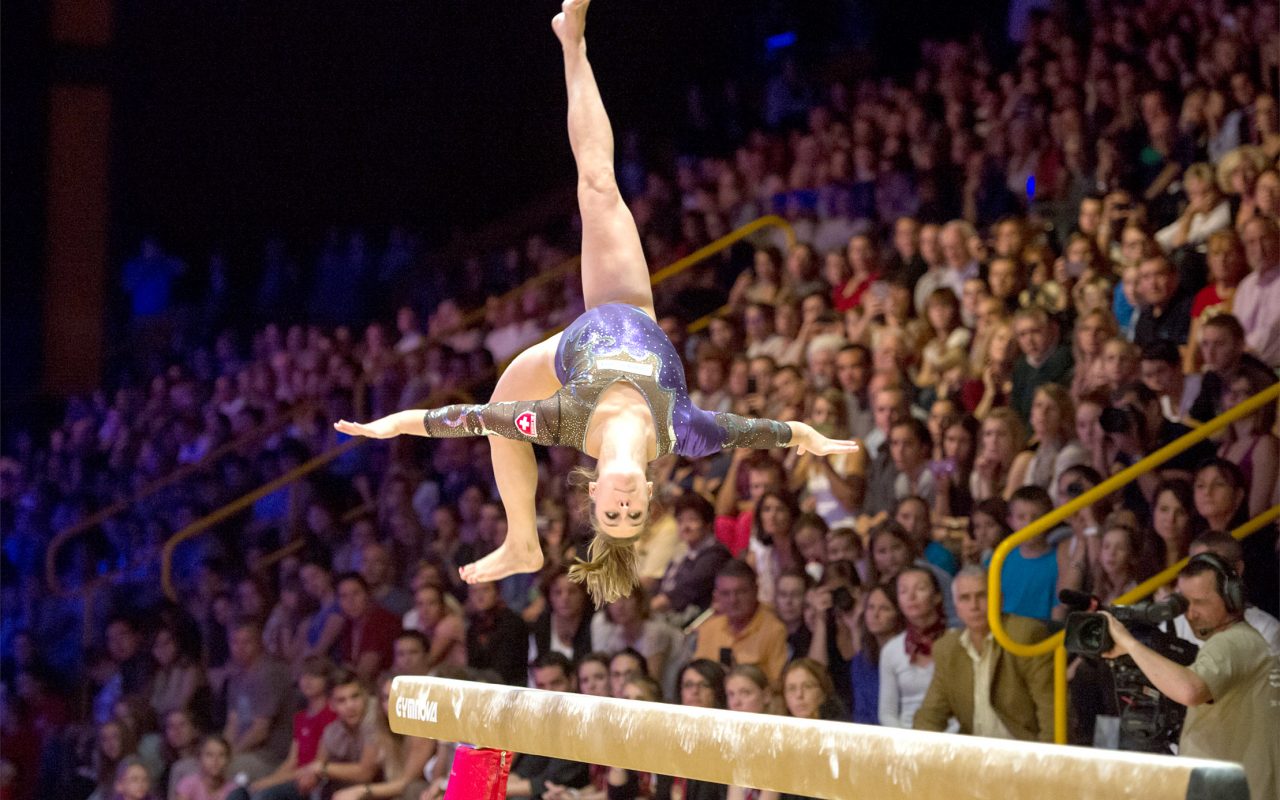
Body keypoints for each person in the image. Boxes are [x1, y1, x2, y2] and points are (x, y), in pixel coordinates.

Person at [333, 0, 857, 606]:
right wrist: (809, 437)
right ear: (650, 500)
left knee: (504, 404)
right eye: (634, 517)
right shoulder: (682, 432)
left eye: (613, 515)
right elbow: (765, 432)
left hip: (570, 355)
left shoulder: (562, 422)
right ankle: (571, 42)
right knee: (599, 184)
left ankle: (523, 539)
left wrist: (391, 424)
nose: (626, 507)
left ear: (594, 496)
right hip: (629, 307)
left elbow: (466, 419)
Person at [1101, 555, 1280, 798]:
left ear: (1232, 599)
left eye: (1200, 602)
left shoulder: (1233, 641)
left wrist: (1130, 645)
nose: (1191, 614)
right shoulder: (1245, 641)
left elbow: (1190, 691)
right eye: (1185, 604)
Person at [913, 567, 1054, 741]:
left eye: (982, 596)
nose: (974, 606)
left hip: (1023, 754)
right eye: (965, 598)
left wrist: (1047, 763)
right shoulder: (947, 648)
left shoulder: (1024, 634)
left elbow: (1052, 709)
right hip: (976, 757)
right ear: (956, 607)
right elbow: (931, 714)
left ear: (1000, 600)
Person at [230, 656, 337, 800]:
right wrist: (268, 781)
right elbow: (291, 761)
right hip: (292, 776)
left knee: (263, 796)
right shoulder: (300, 717)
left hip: (311, 781)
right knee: (238, 793)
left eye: (315, 675)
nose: (307, 680)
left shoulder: (331, 715)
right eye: (304, 675)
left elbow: (317, 765)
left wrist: (270, 783)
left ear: (327, 681)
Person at [1172, 533, 1280, 656]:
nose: (1202, 575)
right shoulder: (1175, 623)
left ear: (1237, 570)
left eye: (1212, 567)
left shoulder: (1266, 630)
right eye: (1196, 567)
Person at [692, 561, 788, 683]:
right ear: (716, 596)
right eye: (726, 593)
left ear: (756, 591)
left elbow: (777, 685)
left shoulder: (774, 630)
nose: (733, 600)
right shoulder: (708, 629)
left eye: (741, 592)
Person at [878, 567, 945, 729]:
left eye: (920, 589)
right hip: (907, 737)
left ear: (937, 596)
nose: (911, 597)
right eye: (903, 591)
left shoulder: (955, 642)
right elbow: (887, 712)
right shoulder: (891, 650)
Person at [650, 493, 731, 623]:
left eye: (692, 520)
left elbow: (685, 591)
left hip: (692, 621)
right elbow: (663, 585)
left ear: (708, 524)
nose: (685, 527)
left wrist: (645, 611)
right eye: (680, 520)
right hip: (667, 616)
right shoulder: (684, 552)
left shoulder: (716, 555)